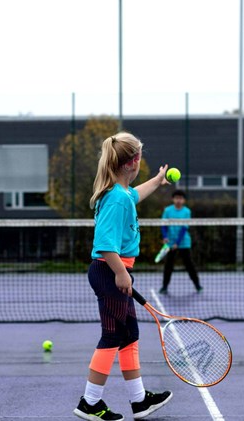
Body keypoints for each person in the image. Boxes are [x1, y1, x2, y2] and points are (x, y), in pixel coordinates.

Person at [73, 133, 173, 421]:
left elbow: (135, 194)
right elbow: (104, 245)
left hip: (114, 271)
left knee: (129, 334)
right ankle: (89, 402)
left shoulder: (122, 193)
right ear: (133, 162)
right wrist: (121, 274)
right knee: (114, 335)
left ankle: (139, 401)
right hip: (109, 271)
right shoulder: (116, 198)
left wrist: (157, 180)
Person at [159, 190, 202, 294]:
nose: (178, 200)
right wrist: (165, 237)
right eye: (176, 198)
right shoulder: (168, 211)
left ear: (184, 200)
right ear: (173, 199)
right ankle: (164, 287)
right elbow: (163, 225)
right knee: (168, 265)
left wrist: (177, 243)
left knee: (189, 265)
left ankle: (197, 285)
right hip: (170, 242)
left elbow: (184, 229)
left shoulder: (187, 211)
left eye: (181, 198)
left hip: (184, 243)